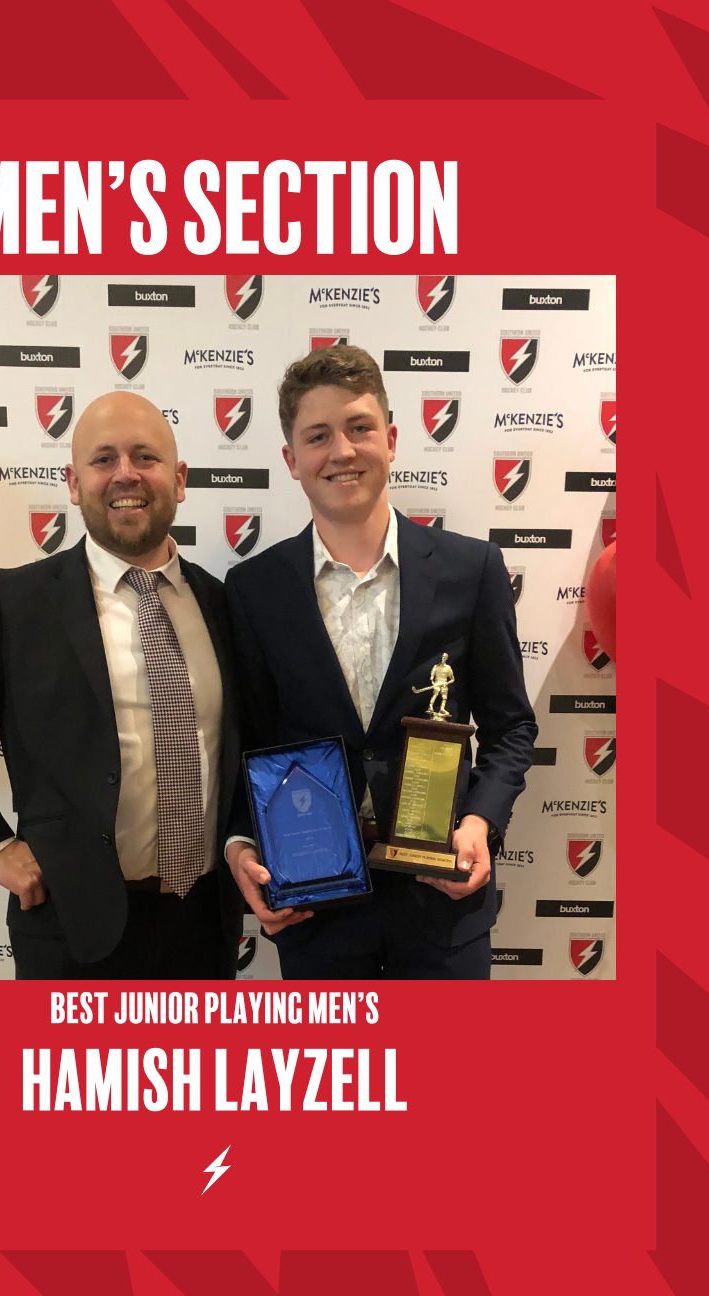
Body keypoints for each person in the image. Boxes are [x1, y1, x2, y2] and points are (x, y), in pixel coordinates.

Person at [0, 392, 241, 979]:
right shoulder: (17, 603)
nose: (125, 474)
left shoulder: (224, 604)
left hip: (204, 926)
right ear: (74, 484)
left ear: (179, 479)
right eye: (103, 459)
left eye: (145, 456)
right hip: (70, 929)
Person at [224, 346, 537, 979]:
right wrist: (238, 844)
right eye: (318, 436)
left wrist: (481, 821)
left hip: (443, 901)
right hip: (317, 910)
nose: (341, 451)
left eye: (359, 427)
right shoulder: (254, 589)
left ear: (391, 440)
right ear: (291, 460)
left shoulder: (472, 570)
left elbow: (512, 727)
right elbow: (249, 741)